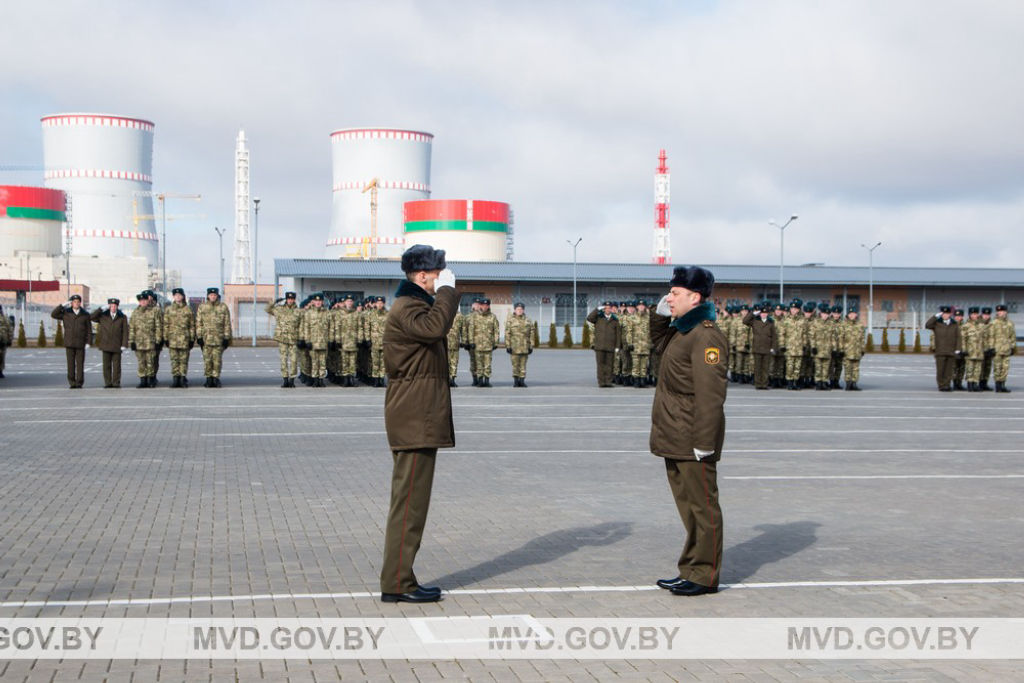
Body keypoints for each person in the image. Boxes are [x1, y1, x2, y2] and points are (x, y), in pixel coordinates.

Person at [380, 244, 458, 604]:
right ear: (422, 275)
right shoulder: (408, 307)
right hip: (413, 419)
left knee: (412, 503)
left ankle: (401, 577)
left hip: (417, 416)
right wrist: (448, 293)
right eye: (437, 273)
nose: (441, 277)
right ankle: (397, 582)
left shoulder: (413, 306)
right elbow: (433, 328)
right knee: (409, 504)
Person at [649, 265, 727, 597]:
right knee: (688, 508)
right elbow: (657, 344)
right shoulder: (682, 331)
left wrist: (704, 443)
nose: (670, 297)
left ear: (695, 297)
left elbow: (711, 395)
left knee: (702, 507)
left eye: (676, 293)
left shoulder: (706, 335)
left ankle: (705, 575)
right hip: (674, 435)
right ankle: (691, 569)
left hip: (692, 438)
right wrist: (659, 314)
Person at [51, 294, 92, 388]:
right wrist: (62, 305)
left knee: (80, 364)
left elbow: (89, 330)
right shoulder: (66, 312)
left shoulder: (85, 314)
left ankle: (79, 382)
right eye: (74, 302)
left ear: (80, 303)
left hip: (81, 343)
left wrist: (89, 342)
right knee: (70, 364)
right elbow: (53, 314)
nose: (76, 303)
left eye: (78, 302)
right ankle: (72, 382)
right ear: (71, 303)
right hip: (69, 342)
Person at [196, 287, 232, 388]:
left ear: (217, 296)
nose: (213, 297)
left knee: (217, 360)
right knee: (207, 360)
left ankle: (216, 378)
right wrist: (199, 337)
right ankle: (208, 379)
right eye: (211, 295)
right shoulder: (202, 307)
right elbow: (199, 323)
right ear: (208, 296)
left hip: (218, 339)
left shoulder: (223, 307)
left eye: (214, 295)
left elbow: (227, 323)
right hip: (206, 339)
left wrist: (226, 338)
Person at [90, 298, 129, 388]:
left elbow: (125, 331)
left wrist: (124, 344)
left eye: (115, 306)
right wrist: (100, 309)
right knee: (106, 366)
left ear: (117, 306)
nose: (113, 307)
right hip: (106, 344)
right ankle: (108, 383)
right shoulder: (103, 316)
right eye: (111, 306)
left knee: (116, 366)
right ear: (109, 307)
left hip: (117, 344)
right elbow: (91, 317)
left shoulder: (122, 316)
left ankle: (116, 382)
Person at [266, 291, 302, 387]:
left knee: (294, 360)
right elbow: (267, 309)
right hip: (282, 338)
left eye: (292, 299)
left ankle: (292, 380)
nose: (290, 300)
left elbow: (301, 326)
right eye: (289, 299)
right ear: (286, 299)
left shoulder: (298, 311)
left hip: (293, 339)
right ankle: (285, 379)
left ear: (294, 300)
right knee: (283, 360)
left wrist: (301, 338)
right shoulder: (279, 309)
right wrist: (274, 302)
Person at [925, 306, 962, 392]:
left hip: (950, 350)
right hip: (940, 351)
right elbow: (927, 325)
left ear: (950, 314)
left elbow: (958, 337)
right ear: (941, 314)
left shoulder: (954, 324)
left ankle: (947, 385)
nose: (945, 315)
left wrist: (958, 349)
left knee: (949, 370)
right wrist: (935, 316)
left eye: (947, 313)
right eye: (944, 313)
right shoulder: (937, 323)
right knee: (940, 370)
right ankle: (941, 385)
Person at [164, 287, 196, 388]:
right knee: (174, 360)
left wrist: (192, 339)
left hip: (184, 339)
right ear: (173, 297)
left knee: (183, 360)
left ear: (182, 297)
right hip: (172, 339)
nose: (178, 297)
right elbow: (165, 325)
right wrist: (165, 338)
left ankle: (182, 379)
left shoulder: (187, 309)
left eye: (179, 295)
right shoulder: (168, 309)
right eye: (176, 295)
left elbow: (192, 325)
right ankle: (175, 379)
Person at [587, 301, 622, 387]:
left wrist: (617, 346)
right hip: (600, 346)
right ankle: (601, 382)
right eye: (605, 308)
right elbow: (589, 318)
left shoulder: (615, 320)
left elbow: (618, 335)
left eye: (609, 308)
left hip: (610, 346)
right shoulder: (598, 318)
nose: (607, 309)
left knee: (609, 365)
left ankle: (608, 381)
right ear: (603, 309)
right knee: (600, 365)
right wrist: (596, 309)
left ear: (611, 309)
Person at [298, 293, 330, 387]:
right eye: (316, 301)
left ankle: (321, 379)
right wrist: (307, 341)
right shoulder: (308, 313)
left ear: (322, 302)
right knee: (314, 362)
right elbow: (305, 328)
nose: (318, 302)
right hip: (313, 342)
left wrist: (331, 340)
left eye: (320, 301)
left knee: (323, 362)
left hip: (324, 342)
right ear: (313, 302)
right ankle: (315, 379)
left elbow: (331, 327)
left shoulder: (327, 313)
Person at [128, 292, 159, 388]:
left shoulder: (154, 311)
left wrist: (158, 340)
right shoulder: (135, 312)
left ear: (147, 301)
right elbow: (132, 328)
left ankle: (151, 380)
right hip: (139, 342)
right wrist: (131, 341)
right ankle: (143, 381)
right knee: (141, 362)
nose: (143, 302)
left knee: (150, 362)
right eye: (141, 301)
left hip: (150, 342)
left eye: (144, 300)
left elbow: (158, 326)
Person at [742, 303, 776, 390]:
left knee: (765, 368)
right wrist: (753, 313)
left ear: (767, 314)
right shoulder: (755, 321)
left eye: (765, 313)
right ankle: (758, 384)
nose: (763, 314)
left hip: (767, 348)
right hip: (757, 347)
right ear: (759, 313)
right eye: (762, 313)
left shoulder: (770, 322)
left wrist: (773, 347)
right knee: (757, 367)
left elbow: (774, 336)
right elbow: (745, 321)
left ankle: (764, 384)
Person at [468, 298, 499, 387]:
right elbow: (471, 330)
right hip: (477, 344)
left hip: (488, 344)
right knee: (479, 364)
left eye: (486, 305)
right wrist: (471, 342)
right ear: (480, 305)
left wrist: (495, 343)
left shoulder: (492, 317)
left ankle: (487, 381)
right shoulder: (474, 316)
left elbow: (496, 330)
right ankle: (480, 380)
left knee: (487, 364)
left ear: (488, 306)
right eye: (483, 305)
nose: (485, 307)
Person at [505, 302, 534, 387]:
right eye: (518, 309)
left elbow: (532, 333)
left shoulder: (528, 320)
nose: (520, 311)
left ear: (523, 310)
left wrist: (531, 346)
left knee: (523, 365)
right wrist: (508, 346)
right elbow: (507, 334)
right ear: (515, 310)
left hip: (525, 346)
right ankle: (516, 381)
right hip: (514, 347)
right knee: (515, 365)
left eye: (521, 309)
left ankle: (522, 381)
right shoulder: (510, 320)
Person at [990, 304, 1017, 393]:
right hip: (997, 349)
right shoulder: (993, 323)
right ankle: (998, 385)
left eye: (1002, 311)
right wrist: (991, 348)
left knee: (1005, 368)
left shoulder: (1010, 323)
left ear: (1005, 312)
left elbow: (1012, 336)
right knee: (997, 368)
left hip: (1006, 349)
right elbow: (991, 336)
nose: (1000, 313)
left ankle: (1002, 384)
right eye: (998, 311)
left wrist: (1013, 347)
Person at [839, 307, 866, 390]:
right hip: (847, 350)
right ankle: (848, 384)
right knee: (847, 368)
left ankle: (854, 384)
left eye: (853, 314)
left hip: (857, 350)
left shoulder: (860, 325)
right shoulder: (843, 325)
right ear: (847, 315)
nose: (851, 315)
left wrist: (862, 349)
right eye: (850, 314)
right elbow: (840, 338)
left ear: (856, 314)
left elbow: (862, 338)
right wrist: (841, 350)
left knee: (856, 368)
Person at [962, 307, 985, 392]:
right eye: (972, 314)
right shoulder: (966, 326)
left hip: (979, 351)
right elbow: (963, 339)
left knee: (978, 369)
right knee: (970, 368)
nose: (974, 316)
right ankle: (970, 384)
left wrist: (986, 349)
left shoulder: (981, 325)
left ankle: (975, 384)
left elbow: (985, 338)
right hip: (970, 351)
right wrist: (964, 349)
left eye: (975, 314)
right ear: (969, 315)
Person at [631, 300, 653, 387]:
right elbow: (629, 331)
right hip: (635, 345)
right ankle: (636, 381)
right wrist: (630, 343)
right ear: (637, 307)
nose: (641, 307)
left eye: (643, 306)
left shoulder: (648, 318)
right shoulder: (633, 317)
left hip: (645, 344)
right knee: (636, 364)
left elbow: (651, 331)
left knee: (644, 365)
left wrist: (651, 343)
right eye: (639, 305)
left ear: (645, 307)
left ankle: (643, 380)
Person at [0, 305, 12, 378]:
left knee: (1, 356)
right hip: (3, 341)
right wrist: (9, 340)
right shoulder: (5, 319)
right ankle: (0, 371)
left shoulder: (5, 319)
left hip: (2, 341)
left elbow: (9, 330)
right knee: (1, 356)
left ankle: (0, 371)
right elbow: (9, 331)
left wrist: (9, 340)